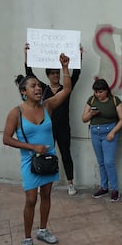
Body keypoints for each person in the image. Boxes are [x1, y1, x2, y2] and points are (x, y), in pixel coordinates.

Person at [3, 54, 71, 245]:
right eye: (33, 86)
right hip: (30, 161)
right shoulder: (16, 113)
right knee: (31, 199)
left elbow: (66, 89)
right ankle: (26, 239)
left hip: (48, 160)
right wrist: (32, 147)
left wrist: (65, 67)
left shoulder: (47, 106)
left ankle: (42, 230)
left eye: (39, 86)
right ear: (24, 92)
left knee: (47, 194)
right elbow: (6, 138)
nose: (38, 88)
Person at [24, 43, 82, 196]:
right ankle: (39, 182)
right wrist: (27, 54)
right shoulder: (42, 89)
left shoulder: (65, 89)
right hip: (46, 128)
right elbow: (29, 73)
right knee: (42, 155)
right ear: (48, 75)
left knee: (65, 154)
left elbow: (76, 74)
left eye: (57, 73)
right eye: (53, 73)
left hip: (63, 127)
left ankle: (70, 183)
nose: (56, 75)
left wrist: (78, 55)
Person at [82, 78, 122, 202]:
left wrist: (113, 132)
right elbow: (84, 119)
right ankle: (104, 187)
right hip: (95, 132)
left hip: (109, 131)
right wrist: (91, 114)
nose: (98, 94)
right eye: (96, 92)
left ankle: (115, 189)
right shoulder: (92, 100)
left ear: (106, 90)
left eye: (100, 91)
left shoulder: (115, 100)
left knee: (109, 162)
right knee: (101, 161)